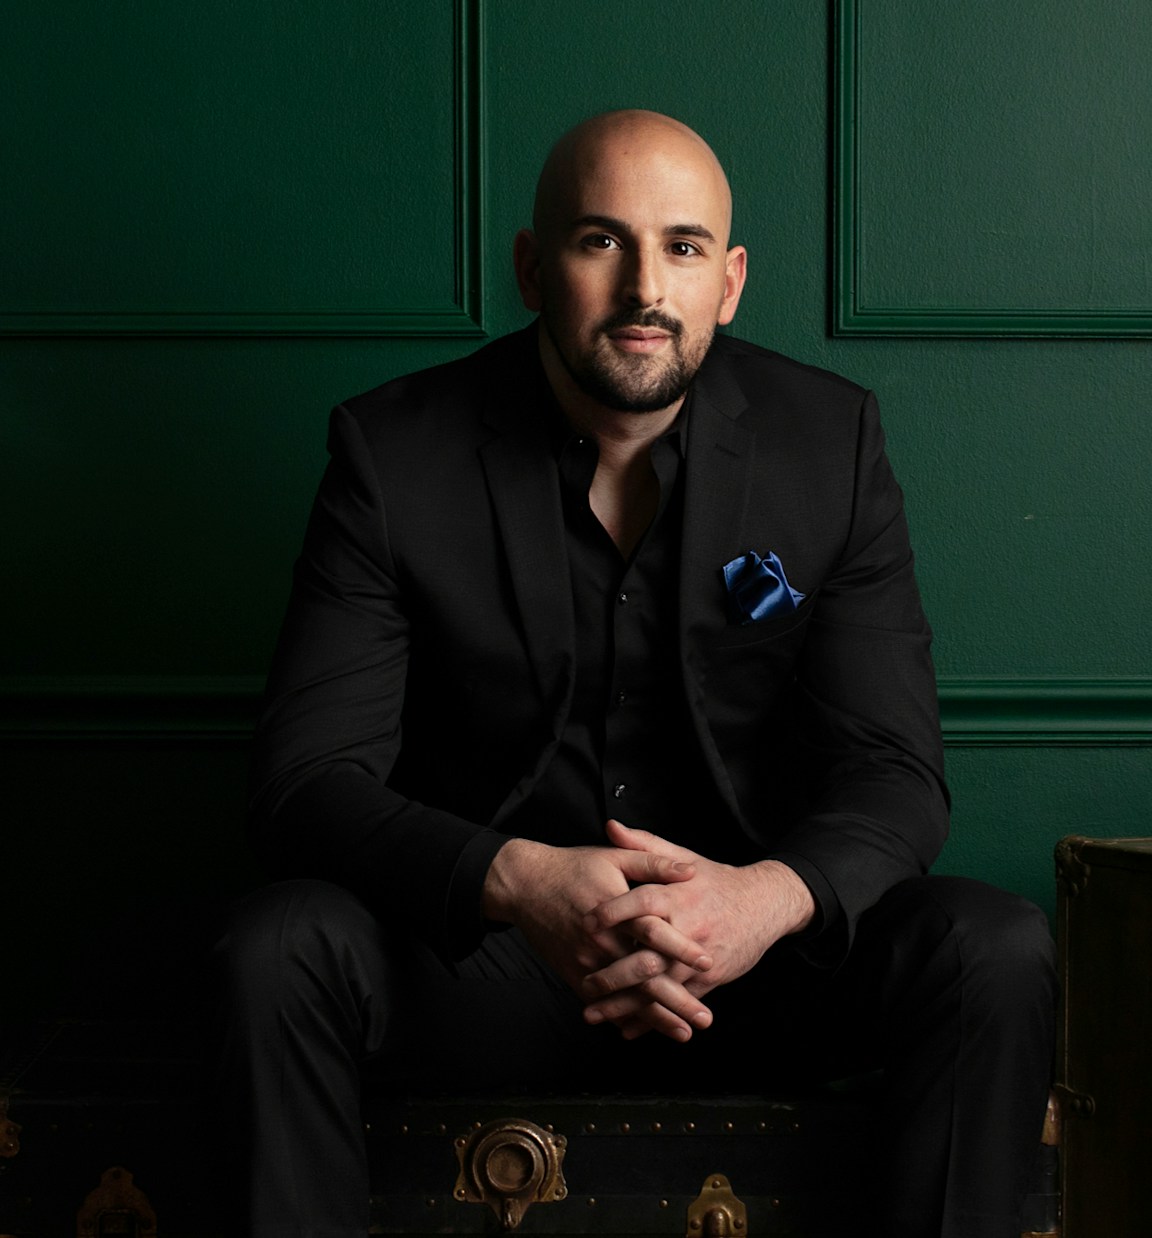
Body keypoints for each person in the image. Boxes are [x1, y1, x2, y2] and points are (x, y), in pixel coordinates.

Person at [212, 109, 1054, 1238]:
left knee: (989, 945)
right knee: (277, 945)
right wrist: (518, 880)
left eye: (684, 247)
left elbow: (896, 774)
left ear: (732, 280)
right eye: (600, 241)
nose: (645, 287)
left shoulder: (830, 443)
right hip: (490, 968)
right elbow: (304, 780)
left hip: (753, 976)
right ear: (529, 266)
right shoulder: (392, 451)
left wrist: (759, 901)